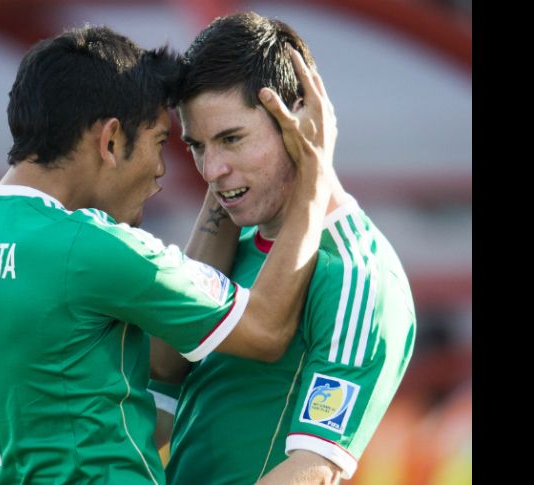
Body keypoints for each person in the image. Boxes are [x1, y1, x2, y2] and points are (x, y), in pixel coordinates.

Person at [0, 23, 338, 484]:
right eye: (159, 141)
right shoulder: (88, 247)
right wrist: (313, 171)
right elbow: (263, 328)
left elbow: (99, 376)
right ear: (110, 140)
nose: (161, 170)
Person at [152, 12, 416, 484]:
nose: (211, 169)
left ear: (300, 118)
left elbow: (313, 471)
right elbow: (156, 411)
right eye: (197, 145)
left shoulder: (357, 276)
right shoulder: (230, 248)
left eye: (232, 139)